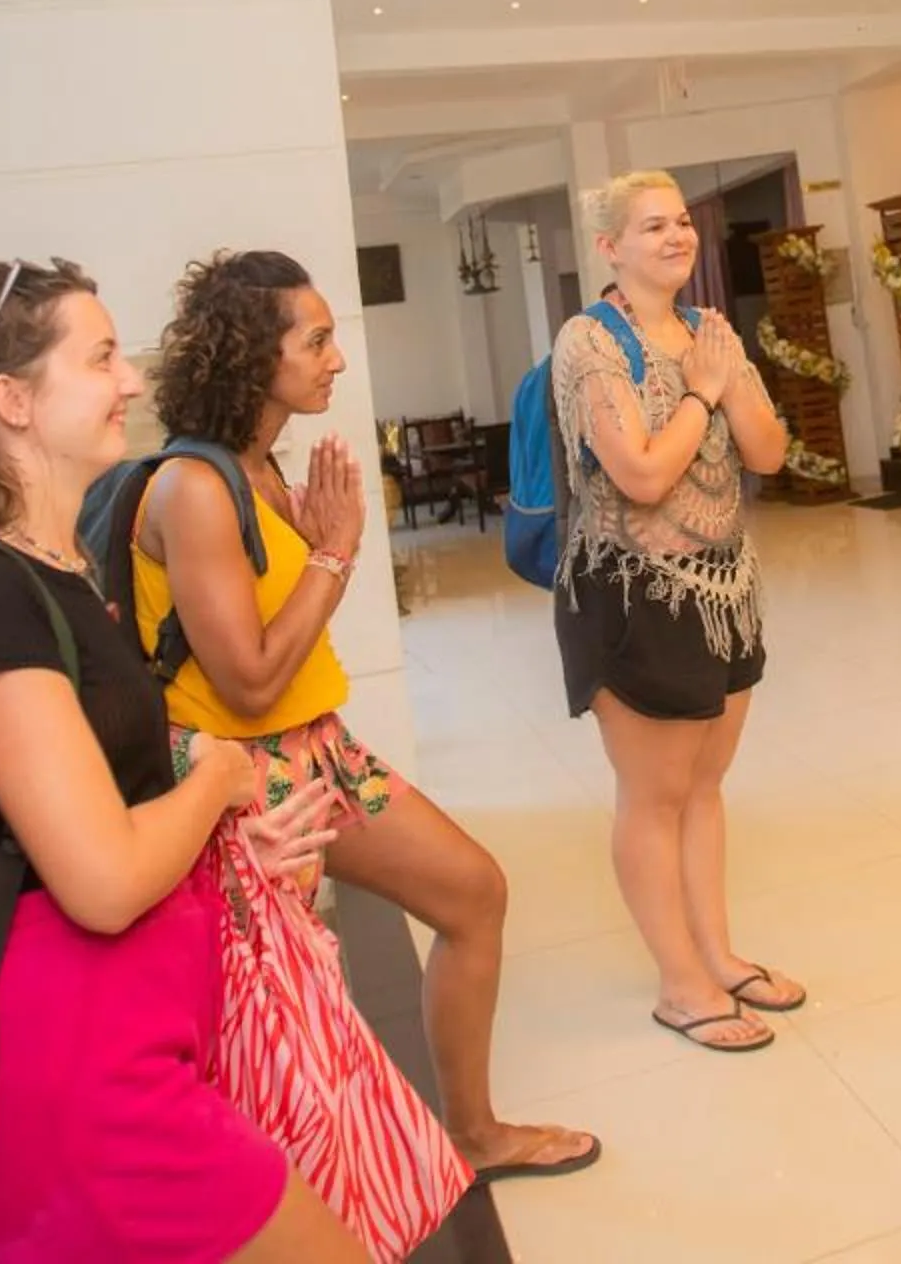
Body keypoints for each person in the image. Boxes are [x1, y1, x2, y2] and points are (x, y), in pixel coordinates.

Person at [0, 257, 362, 1260]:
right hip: (77, 1084)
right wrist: (218, 779)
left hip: (131, 1043)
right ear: (12, 399)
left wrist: (224, 848)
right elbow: (99, 882)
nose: (131, 379)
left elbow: (86, 819)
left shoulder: (49, 571)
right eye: (99, 358)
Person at [134, 251, 599, 1183]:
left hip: (317, 751)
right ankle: (288, 1200)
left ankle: (470, 1135)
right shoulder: (194, 487)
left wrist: (318, 550)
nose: (336, 359)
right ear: (250, 354)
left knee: (472, 892)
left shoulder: (259, 468)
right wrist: (336, 552)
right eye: (315, 341)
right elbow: (249, 684)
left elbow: (283, 638)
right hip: (246, 778)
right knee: (281, 1005)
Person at [551, 172, 801, 1053]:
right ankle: (679, 983)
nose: (676, 237)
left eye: (683, 222)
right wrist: (701, 393)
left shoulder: (710, 333)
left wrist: (723, 378)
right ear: (610, 247)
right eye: (652, 226)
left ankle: (718, 955)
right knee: (654, 796)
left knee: (703, 786)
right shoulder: (589, 341)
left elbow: (769, 451)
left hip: (725, 594)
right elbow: (644, 476)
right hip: (633, 598)